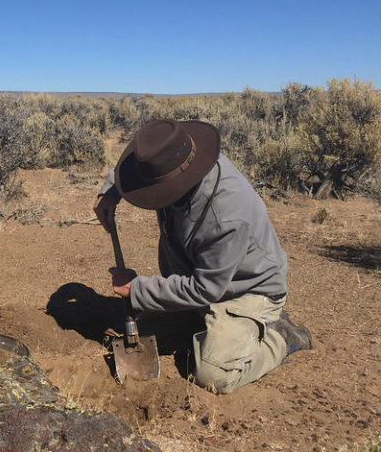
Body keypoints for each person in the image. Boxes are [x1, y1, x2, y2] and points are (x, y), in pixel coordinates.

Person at [94, 119, 312, 394]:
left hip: (247, 291)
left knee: (211, 373)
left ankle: (280, 336)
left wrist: (136, 287)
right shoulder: (185, 158)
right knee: (143, 328)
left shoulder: (227, 215)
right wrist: (112, 190)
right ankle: (207, 326)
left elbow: (205, 288)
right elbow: (141, 167)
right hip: (200, 280)